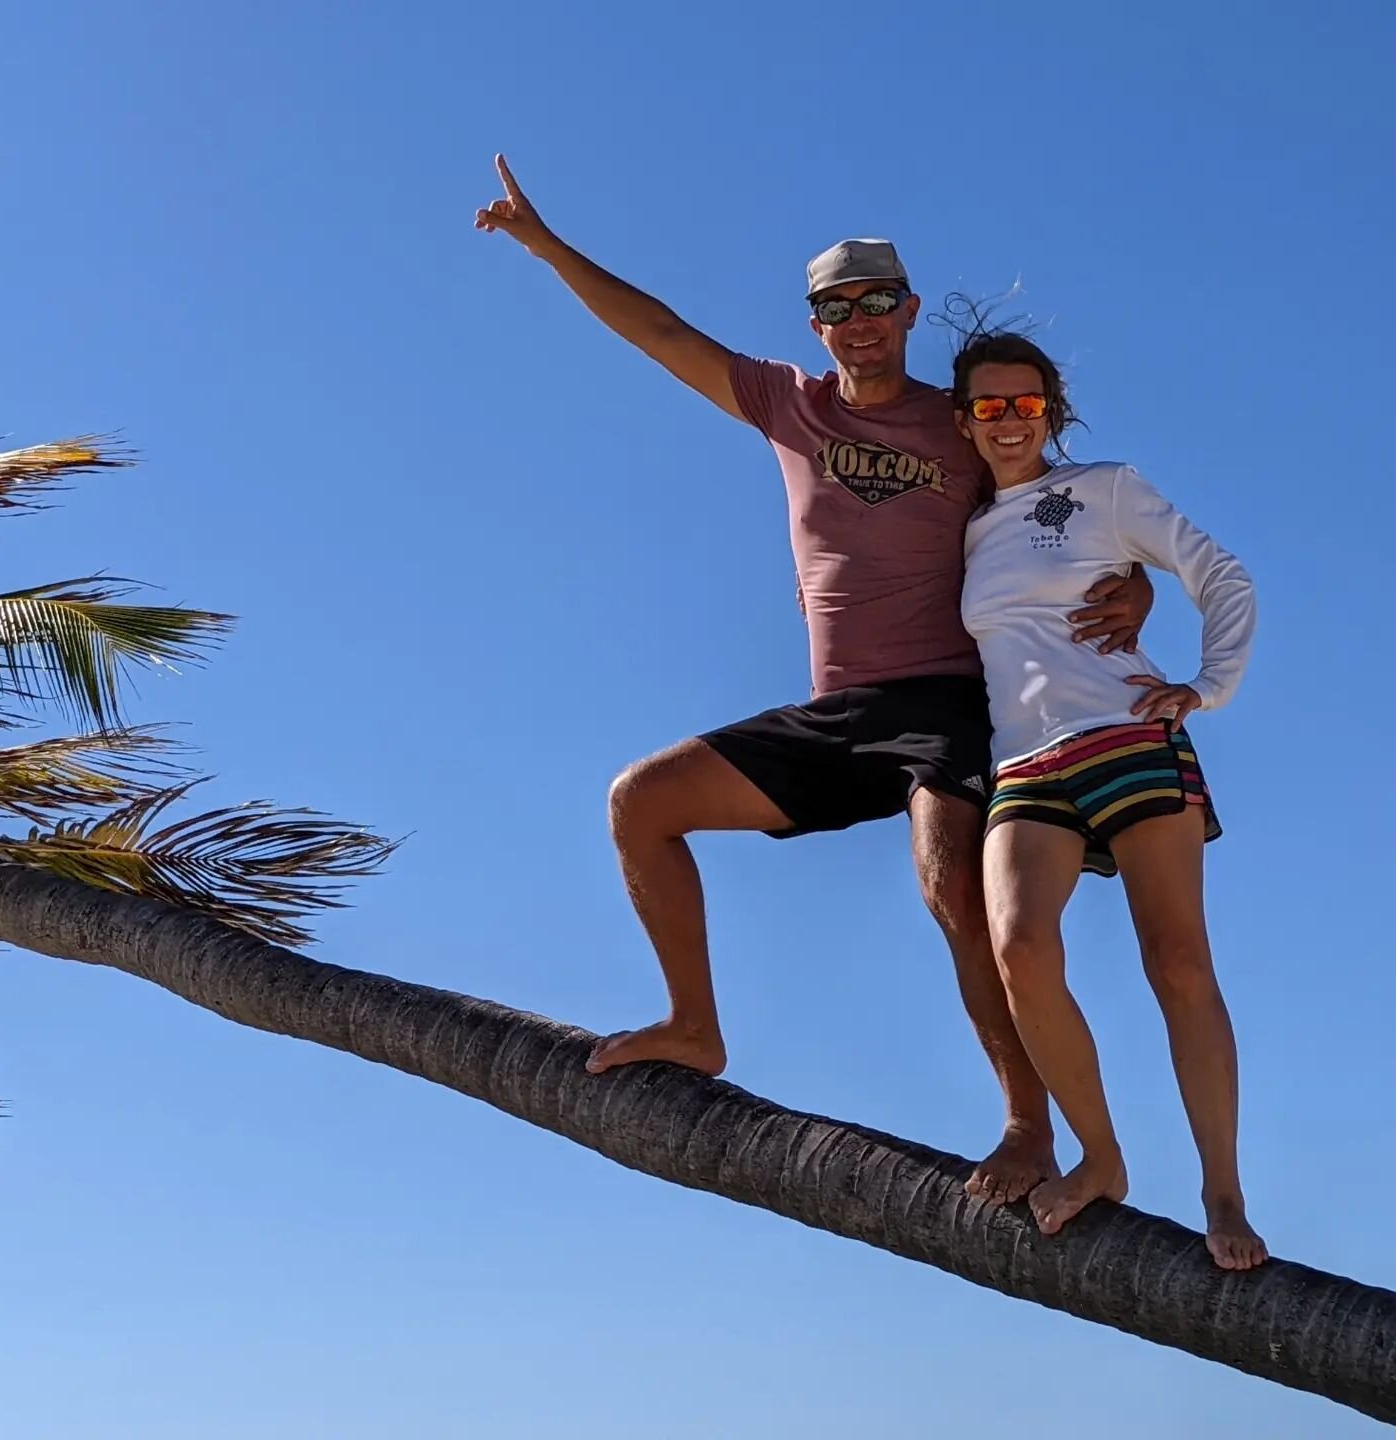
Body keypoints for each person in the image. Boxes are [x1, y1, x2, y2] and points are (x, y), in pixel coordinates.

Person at [475, 156, 1152, 1203]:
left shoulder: (958, 424)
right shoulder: (787, 405)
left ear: (909, 309)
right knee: (641, 802)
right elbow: (661, 333)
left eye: (878, 300)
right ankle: (695, 1025)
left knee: (950, 887)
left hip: (948, 702)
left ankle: (1030, 1124)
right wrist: (545, 243)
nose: (860, 320)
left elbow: (1069, 513)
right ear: (817, 325)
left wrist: (1135, 589)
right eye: (838, 307)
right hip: (841, 713)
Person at [955, 326, 1267, 1269]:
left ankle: (1223, 1190)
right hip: (1026, 765)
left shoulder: (1105, 489)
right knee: (1018, 947)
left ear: (1052, 409)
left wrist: (1208, 685)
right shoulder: (964, 528)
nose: (1008, 422)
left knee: (1176, 962)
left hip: (1131, 737)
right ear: (964, 419)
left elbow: (1220, 572)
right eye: (988, 406)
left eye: (1026, 404)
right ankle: (1101, 1156)